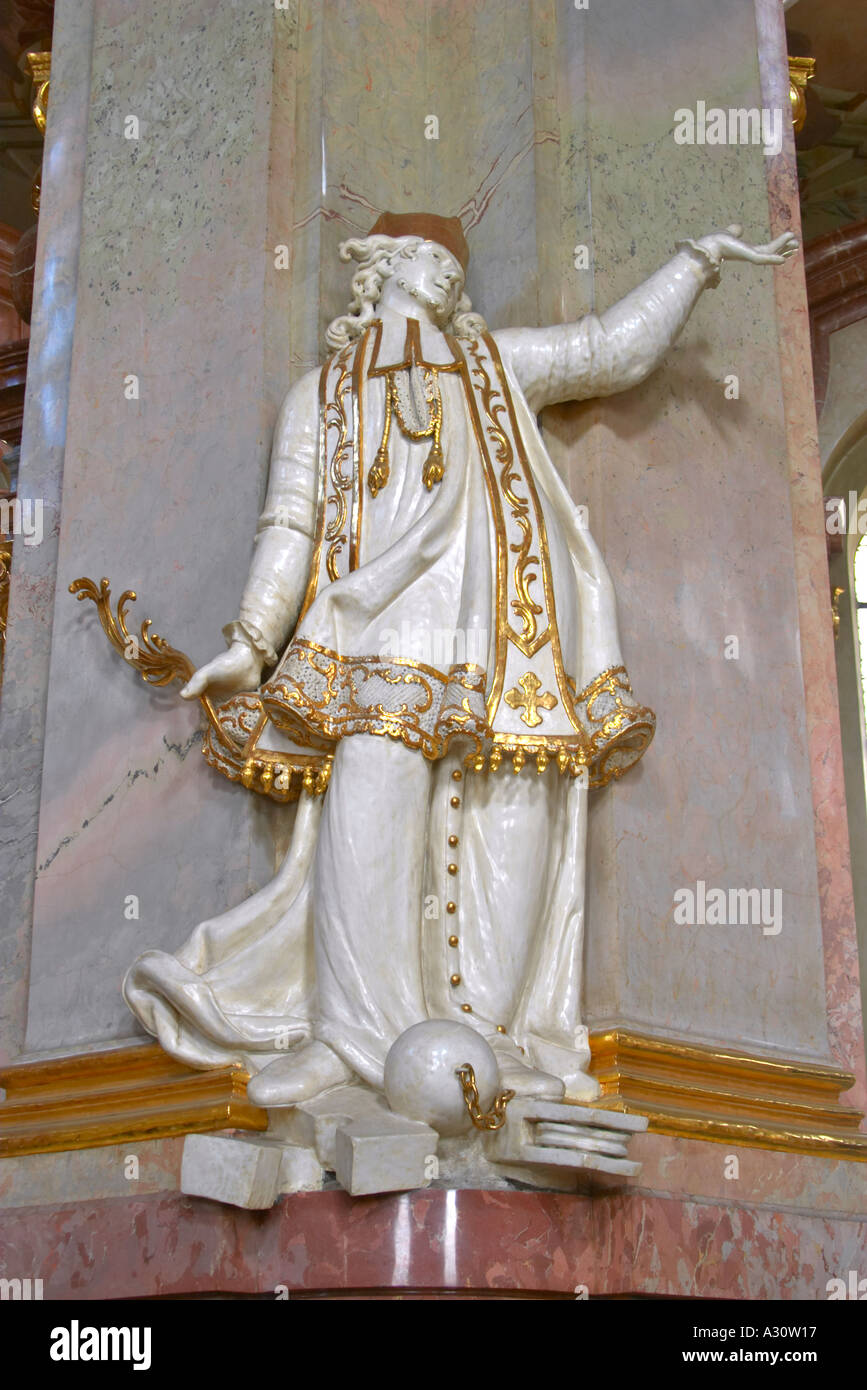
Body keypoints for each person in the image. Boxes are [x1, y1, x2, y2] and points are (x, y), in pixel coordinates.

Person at [124, 211, 797, 1110]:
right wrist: (251, 641)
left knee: (510, 826)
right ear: (381, 268)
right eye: (425, 257)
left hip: (506, 644)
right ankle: (350, 1040)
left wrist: (694, 261)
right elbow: (288, 524)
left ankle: (491, 1039)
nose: (443, 273)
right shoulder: (318, 393)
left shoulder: (495, 365)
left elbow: (607, 352)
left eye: (453, 264)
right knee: (362, 834)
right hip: (378, 644)